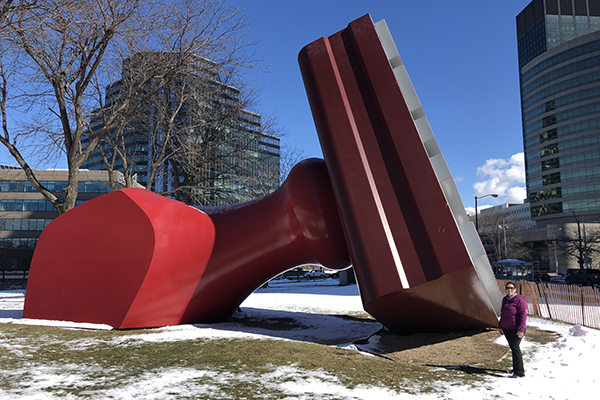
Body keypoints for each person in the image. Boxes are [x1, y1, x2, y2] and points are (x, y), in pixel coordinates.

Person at [498, 281, 527, 378]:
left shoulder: (519, 300)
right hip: (507, 329)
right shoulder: (505, 300)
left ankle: (519, 372)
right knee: (513, 348)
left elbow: (523, 315)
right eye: (508, 288)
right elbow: (503, 314)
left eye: (511, 288)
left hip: (516, 329)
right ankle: (515, 369)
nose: (509, 290)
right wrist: (500, 326)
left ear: (515, 289)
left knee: (515, 349)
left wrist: (521, 329)